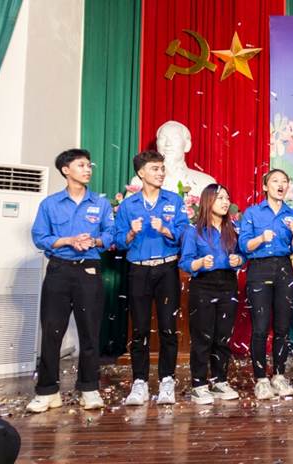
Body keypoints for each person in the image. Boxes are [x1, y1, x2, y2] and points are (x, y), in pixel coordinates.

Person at [27, 149, 114, 413]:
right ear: (66, 170)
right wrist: (68, 240)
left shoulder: (100, 204)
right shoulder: (50, 204)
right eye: (81, 165)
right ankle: (47, 391)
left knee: (90, 332)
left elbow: (111, 234)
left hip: (89, 270)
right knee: (52, 332)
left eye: (89, 165)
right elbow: (40, 237)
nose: (88, 170)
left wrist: (94, 241)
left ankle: (89, 388)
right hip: (59, 271)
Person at [115, 150, 189, 406]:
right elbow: (117, 241)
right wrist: (130, 234)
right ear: (141, 173)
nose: (160, 173)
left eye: (162, 168)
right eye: (155, 169)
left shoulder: (174, 200)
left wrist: (165, 229)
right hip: (138, 270)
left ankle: (167, 380)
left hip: (167, 269)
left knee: (168, 327)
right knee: (140, 329)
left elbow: (185, 233)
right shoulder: (128, 205)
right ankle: (140, 383)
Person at [239, 169, 293, 400]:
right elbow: (244, 246)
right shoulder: (252, 213)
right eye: (275, 181)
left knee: (283, 327)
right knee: (260, 327)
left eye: (284, 181)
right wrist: (261, 238)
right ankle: (261, 379)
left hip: (284, 268)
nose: (280, 185)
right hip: (259, 268)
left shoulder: (292, 214)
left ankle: (279, 375)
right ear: (265, 186)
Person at [179, 184, 245, 404]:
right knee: (202, 337)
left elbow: (242, 256)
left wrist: (238, 260)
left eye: (227, 198)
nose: (226, 202)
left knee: (223, 337)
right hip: (203, 285)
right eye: (220, 198)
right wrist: (199, 263)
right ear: (208, 201)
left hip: (228, 284)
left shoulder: (233, 229)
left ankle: (220, 381)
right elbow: (185, 262)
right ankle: (199, 384)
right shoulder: (194, 231)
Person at [129, 121, 216, 197]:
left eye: (175, 138)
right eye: (163, 138)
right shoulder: (139, 183)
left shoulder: (206, 183)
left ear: (187, 145)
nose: (168, 144)